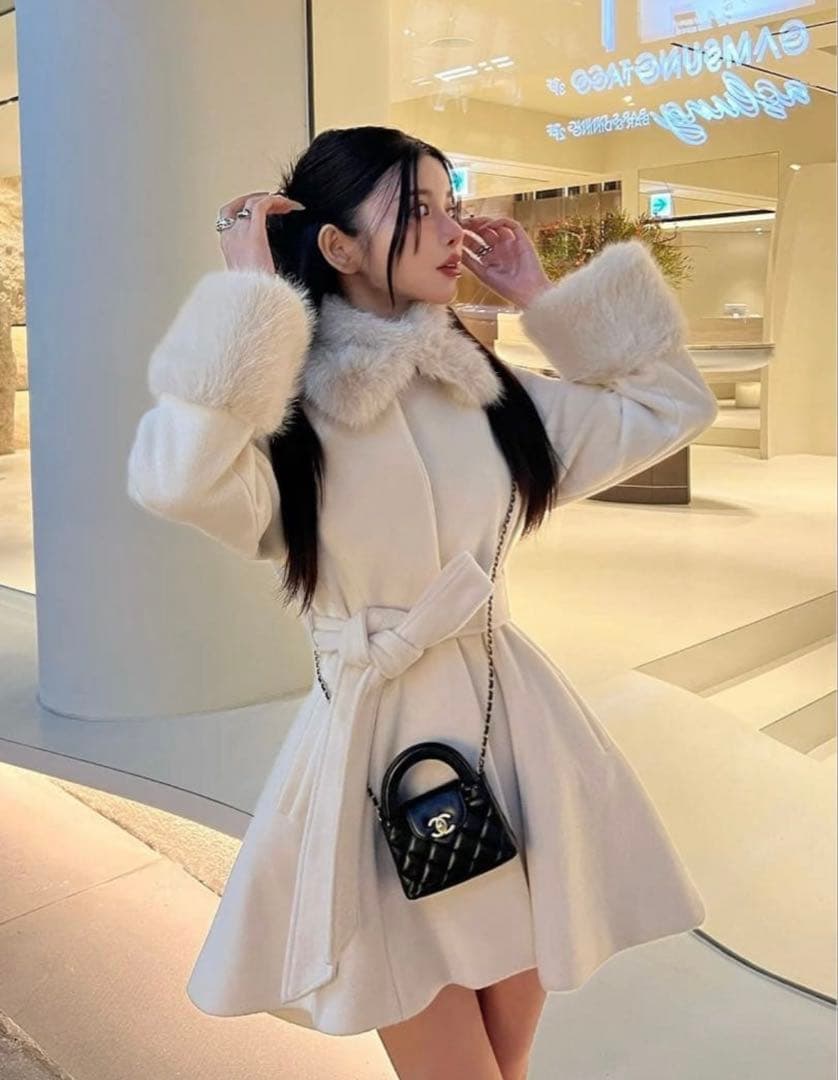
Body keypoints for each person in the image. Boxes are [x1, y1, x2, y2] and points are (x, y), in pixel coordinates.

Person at [126, 125, 718, 1079]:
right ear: (337, 246)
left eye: (451, 204)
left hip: (514, 735)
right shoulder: (285, 420)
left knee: (506, 1061)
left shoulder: (491, 394)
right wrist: (250, 300)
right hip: (374, 744)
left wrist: (542, 298)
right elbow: (176, 480)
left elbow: (671, 407)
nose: (453, 230)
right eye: (418, 209)